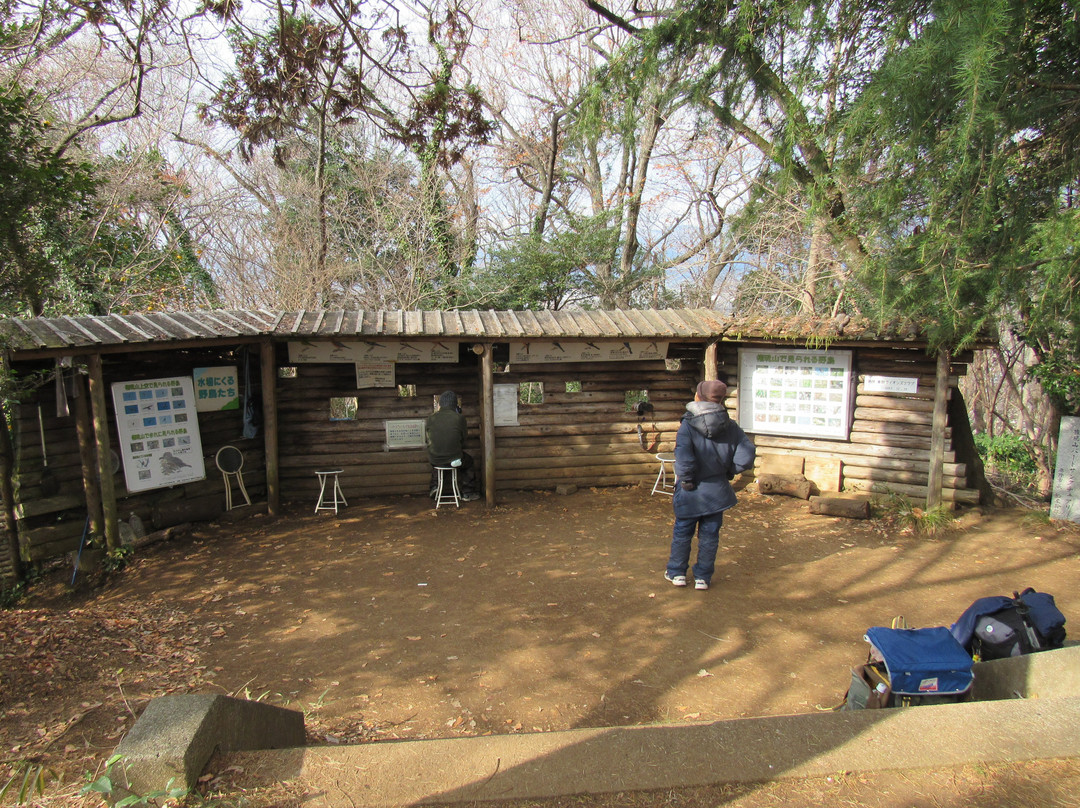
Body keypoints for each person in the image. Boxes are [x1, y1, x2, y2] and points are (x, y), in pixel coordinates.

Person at [665, 380, 755, 591]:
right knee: (710, 535)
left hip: (690, 491)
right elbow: (746, 454)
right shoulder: (730, 425)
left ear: (699, 396)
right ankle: (702, 578)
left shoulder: (687, 425)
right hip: (717, 491)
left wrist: (686, 479)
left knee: (682, 532)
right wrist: (730, 471)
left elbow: (684, 455)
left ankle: (677, 573)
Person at [425, 390, 480, 501]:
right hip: (454, 458)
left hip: (434, 459)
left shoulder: (431, 418)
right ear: (455, 405)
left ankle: (435, 486)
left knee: (439, 457)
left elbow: (427, 439)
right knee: (468, 461)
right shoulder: (459, 418)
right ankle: (467, 492)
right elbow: (463, 438)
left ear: (440, 404)